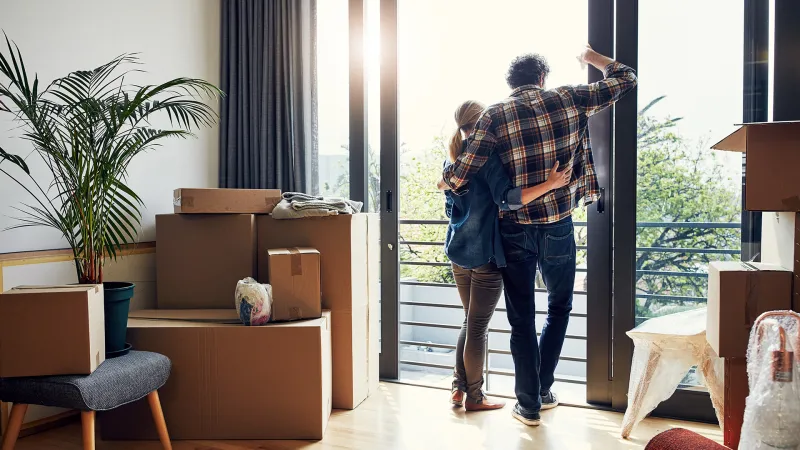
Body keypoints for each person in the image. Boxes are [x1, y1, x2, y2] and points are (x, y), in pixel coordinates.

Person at [440, 46, 637, 426]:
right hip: (558, 225)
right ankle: (543, 388)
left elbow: (459, 175)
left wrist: (445, 179)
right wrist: (593, 59)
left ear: (510, 83)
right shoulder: (570, 97)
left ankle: (528, 404)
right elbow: (626, 78)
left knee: (521, 319)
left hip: (514, 230)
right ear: (542, 78)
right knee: (559, 307)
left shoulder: (495, 115)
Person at [443, 100, 572, 412]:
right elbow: (508, 200)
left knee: (470, 321)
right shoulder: (487, 160)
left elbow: (451, 209)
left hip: (458, 253)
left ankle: (458, 388)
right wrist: (551, 183)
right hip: (486, 256)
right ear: (485, 124)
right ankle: (475, 397)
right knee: (477, 326)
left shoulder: (454, 162)